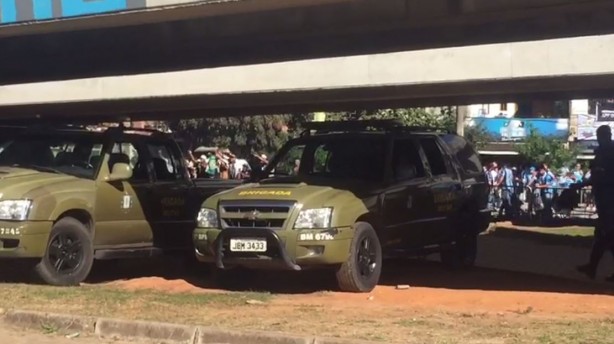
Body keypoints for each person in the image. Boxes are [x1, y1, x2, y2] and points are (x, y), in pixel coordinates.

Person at [575, 125, 614, 281]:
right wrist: (580, 185)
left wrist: (581, 185)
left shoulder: (609, 153)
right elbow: (596, 176)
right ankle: (592, 267)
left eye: (601, 136)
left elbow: (600, 176)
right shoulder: (602, 153)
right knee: (606, 236)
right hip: (604, 199)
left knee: (605, 234)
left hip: (610, 200)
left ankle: (592, 267)